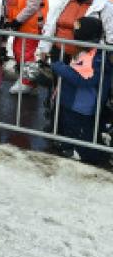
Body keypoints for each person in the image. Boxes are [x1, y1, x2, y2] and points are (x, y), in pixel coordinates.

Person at [51, 16, 112, 165]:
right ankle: (68, 146)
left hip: (81, 106)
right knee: (69, 128)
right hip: (70, 101)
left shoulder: (97, 56)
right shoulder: (85, 50)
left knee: (82, 135)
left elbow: (84, 79)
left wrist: (60, 67)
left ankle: (95, 157)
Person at [36, 0, 113, 64]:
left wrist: (109, 54)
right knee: (58, 77)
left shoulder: (104, 5)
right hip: (59, 51)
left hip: (87, 55)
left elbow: (110, 32)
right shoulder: (62, 1)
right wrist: (44, 48)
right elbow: (50, 25)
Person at [0, 0, 49, 95]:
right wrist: (6, 19)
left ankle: (28, 82)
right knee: (17, 51)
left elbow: (32, 6)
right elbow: (10, 3)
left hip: (31, 25)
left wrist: (17, 20)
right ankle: (27, 79)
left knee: (25, 53)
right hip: (20, 25)